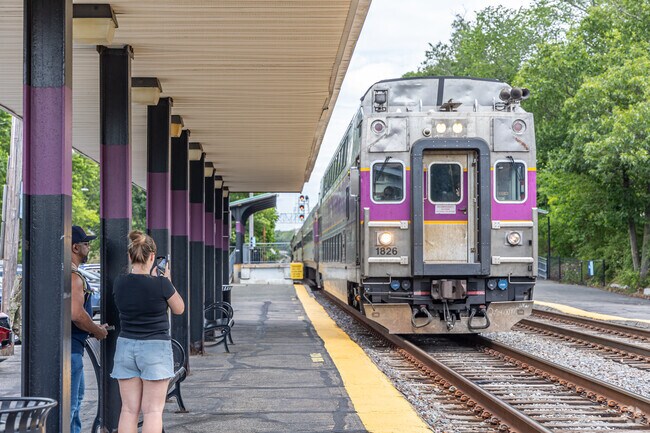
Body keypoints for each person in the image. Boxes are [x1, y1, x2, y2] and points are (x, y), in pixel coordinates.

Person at [111, 231, 184, 433]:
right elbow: (179, 308)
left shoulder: (119, 282)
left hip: (126, 346)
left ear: (130, 256)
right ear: (152, 256)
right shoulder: (161, 284)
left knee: (128, 410)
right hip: (155, 348)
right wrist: (166, 281)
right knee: (152, 411)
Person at [70, 225, 109, 433]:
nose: (88, 247)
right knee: (71, 407)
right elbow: (77, 314)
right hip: (71, 351)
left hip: (73, 349)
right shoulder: (74, 277)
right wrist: (96, 330)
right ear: (75, 247)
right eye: (86, 243)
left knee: (75, 403)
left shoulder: (66, 272)